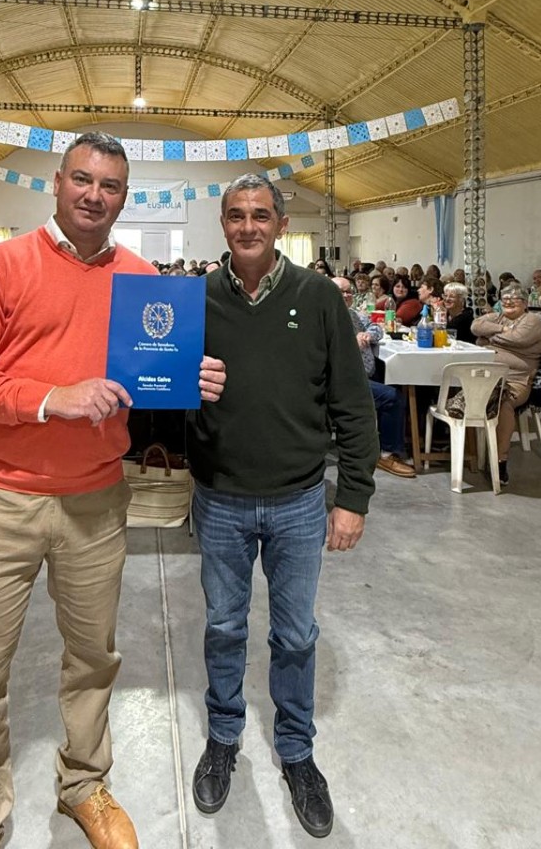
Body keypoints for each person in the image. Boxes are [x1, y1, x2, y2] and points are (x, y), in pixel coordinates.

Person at [0, 132, 225, 849]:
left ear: (125, 197)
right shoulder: (1, 267)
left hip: (98, 499)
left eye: (111, 186)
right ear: (58, 184)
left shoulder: (140, 275)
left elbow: (152, 372)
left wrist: (195, 379)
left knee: (94, 658)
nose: (95, 195)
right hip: (4, 496)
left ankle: (84, 785)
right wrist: (47, 398)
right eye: (83, 180)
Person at [186, 174, 378, 839]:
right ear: (222, 221)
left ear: (281, 223)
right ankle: (222, 736)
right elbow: (160, 399)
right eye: (236, 215)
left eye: (260, 214)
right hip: (220, 499)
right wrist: (185, 392)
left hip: (299, 501)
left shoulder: (319, 296)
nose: (248, 226)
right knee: (224, 629)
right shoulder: (196, 299)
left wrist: (351, 497)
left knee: (295, 635)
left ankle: (297, 752)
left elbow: (352, 405)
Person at [333, 277, 414, 478]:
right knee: (392, 397)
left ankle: (399, 441)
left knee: (398, 380)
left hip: (361, 373)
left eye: (348, 291)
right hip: (341, 380)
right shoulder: (325, 317)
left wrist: (367, 335)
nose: (345, 296)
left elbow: (376, 327)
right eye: (340, 292)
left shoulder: (351, 314)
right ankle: (387, 454)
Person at [471, 285, 541, 487]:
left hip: (516, 380)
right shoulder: (499, 318)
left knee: (503, 402)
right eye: (505, 299)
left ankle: (499, 461)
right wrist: (502, 329)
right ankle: (466, 450)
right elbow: (476, 326)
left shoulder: (532, 321)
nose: (508, 302)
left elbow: (519, 339)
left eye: (513, 299)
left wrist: (488, 338)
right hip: (486, 375)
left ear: (524, 303)